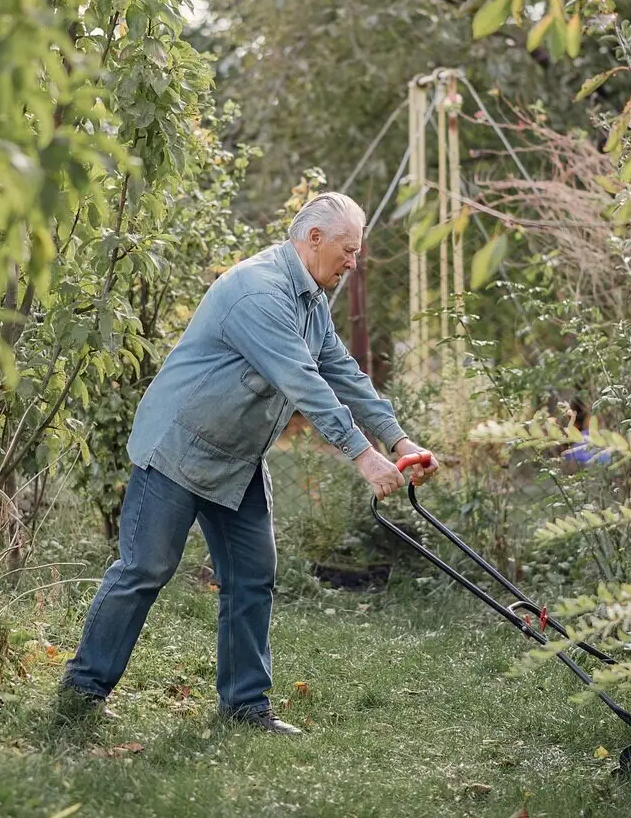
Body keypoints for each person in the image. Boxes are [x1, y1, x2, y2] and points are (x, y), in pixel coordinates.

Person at [58, 191, 439, 734]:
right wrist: (363, 455)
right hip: (179, 446)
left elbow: (341, 370)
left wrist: (399, 442)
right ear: (314, 239)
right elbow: (302, 383)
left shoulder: (310, 298)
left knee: (252, 577)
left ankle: (245, 706)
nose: (355, 262)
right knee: (145, 569)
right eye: (349, 250)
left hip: (236, 458)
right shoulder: (259, 292)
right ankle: (82, 690)